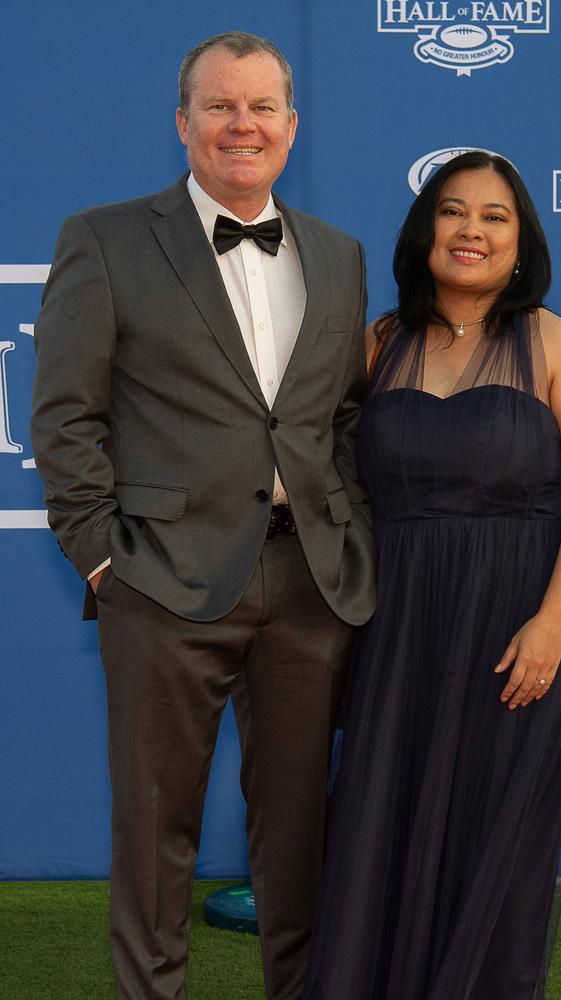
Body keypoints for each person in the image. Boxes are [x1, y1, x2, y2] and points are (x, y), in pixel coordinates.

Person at [30, 30, 374, 1000]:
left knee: (299, 830)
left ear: (291, 128)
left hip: (309, 583)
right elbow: (64, 416)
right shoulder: (104, 238)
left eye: (261, 106)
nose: (241, 124)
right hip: (161, 580)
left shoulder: (339, 258)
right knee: (154, 830)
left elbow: (340, 421)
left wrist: (345, 543)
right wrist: (104, 559)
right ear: (182, 123)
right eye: (219, 105)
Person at [303, 151, 561, 1000]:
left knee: (495, 840)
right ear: (425, 231)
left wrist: (552, 622)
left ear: (521, 243)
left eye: (495, 217)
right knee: (383, 822)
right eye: (453, 212)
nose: (471, 231)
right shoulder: (379, 343)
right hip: (396, 621)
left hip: (516, 622)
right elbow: (320, 472)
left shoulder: (560, 344)